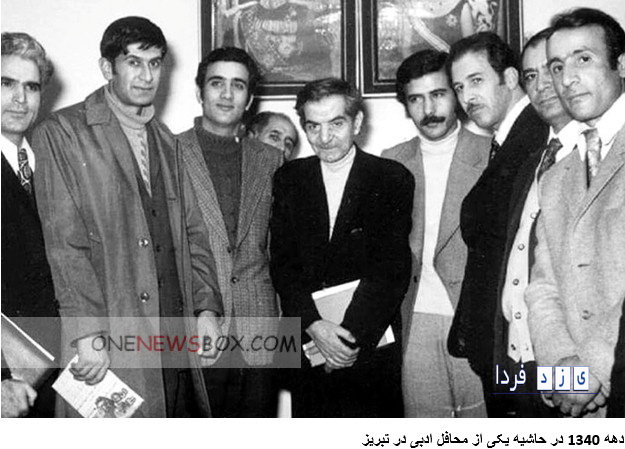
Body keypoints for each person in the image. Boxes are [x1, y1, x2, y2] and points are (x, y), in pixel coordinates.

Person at [32, 16, 222, 418]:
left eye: (154, 63)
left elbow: (194, 233)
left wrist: (206, 309)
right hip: (110, 339)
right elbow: (64, 245)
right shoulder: (62, 132)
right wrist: (86, 331)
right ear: (107, 68)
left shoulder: (166, 140)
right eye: (133, 62)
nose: (147, 76)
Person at [270, 78, 413, 417]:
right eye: (313, 126)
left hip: (369, 349)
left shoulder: (392, 177)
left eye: (336, 123)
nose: (324, 137)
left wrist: (346, 342)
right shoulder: (289, 178)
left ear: (357, 122)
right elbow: (282, 264)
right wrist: (314, 326)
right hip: (308, 344)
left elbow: (391, 270)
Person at [525, 7, 625, 418]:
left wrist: (594, 369)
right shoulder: (556, 176)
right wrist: (562, 369)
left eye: (583, 58)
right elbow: (542, 287)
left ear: (621, 65)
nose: (566, 79)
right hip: (581, 402)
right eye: (557, 66)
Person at [445, 31, 549, 416]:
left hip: (527, 346)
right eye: (459, 87)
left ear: (510, 77)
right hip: (501, 345)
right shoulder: (508, 138)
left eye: (476, 81)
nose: (467, 97)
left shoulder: (538, 135)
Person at [177, 47, 283, 417]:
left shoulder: (271, 159)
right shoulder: (170, 151)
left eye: (238, 85)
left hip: (260, 322)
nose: (226, 94)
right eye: (216, 83)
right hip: (196, 321)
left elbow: (278, 246)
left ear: (249, 98)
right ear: (199, 91)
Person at [381, 50, 488, 417]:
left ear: (456, 95)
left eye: (438, 94)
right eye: (416, 99)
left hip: (474, 317)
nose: (428, 109)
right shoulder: (390, 160)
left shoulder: (492, 153)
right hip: (414, 318)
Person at [490, 28, 576, 417]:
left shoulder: (598, 156)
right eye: (530, 75)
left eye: (552, 69)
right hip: (516, 358)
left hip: (567, 363)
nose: (541, 85)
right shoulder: (533, 162)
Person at [1, 32, 59, 418]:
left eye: (31, 86)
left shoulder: (50, 162)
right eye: (6, 83)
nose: (20, 98)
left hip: (55, 373)